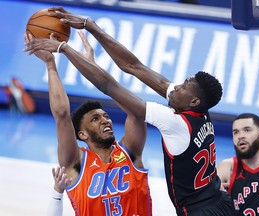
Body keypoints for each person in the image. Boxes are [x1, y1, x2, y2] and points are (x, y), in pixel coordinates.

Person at [25, 7, 233, 215]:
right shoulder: (201, 112)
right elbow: (133, 65)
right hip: (217, 201)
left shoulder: (159, 132)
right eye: (95, 119)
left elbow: (110, 87)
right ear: (82, 134)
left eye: (183, 87)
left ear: (194, 101)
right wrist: (91, 26)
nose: (175, 86)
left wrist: (64, 48)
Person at [24, 31, 152, 215]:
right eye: (95, 119)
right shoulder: (75, 163)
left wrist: (94, 70)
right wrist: (50, 64)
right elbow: (61, 114)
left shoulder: (129, 151)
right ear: (82, 134)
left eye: (105, 116)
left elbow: (136, 111)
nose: (105, 120)